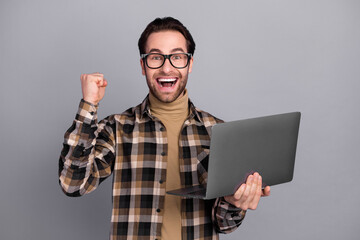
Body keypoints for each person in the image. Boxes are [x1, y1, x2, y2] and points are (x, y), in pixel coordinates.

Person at [59, 16, 270, 240]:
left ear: (190, 64)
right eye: (156, 57)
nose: (166, 67)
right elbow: (72, 184)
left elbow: (225, 225)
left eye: (177, 57)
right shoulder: (116, 128)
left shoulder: (219, 132)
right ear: (143, 66)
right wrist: (89, 105)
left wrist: (234, 202)